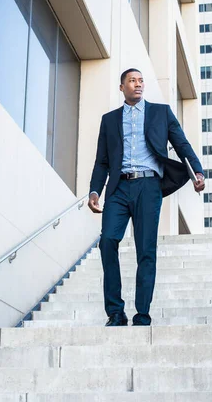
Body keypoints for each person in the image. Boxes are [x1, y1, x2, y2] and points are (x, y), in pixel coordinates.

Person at [88, 68, 205, 326]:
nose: (138, 84)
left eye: (141, 81)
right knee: (107, 240)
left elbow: (182, 144)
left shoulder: (161, 113)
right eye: (132, 81)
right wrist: (95, 191)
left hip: (149, 186)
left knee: (146, 250)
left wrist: (197, 171)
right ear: (122, 87)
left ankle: (142, 313)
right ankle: (116, 312)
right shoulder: (109, 120)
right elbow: (102, 161)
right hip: (118, 189)